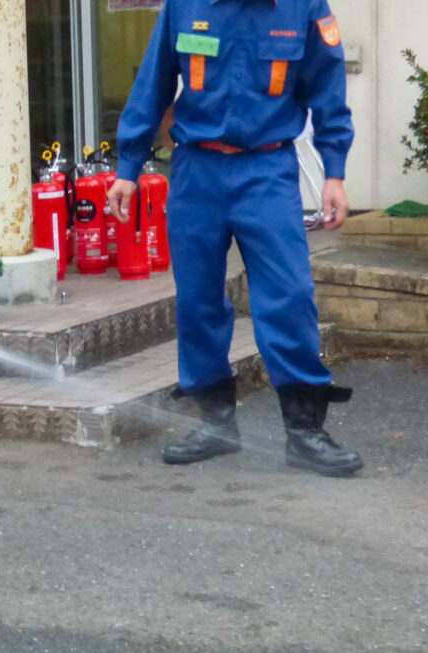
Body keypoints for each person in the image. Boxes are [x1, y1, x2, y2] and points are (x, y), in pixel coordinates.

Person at [108, 0, 363, 477]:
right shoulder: (184, 5)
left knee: (288, 295)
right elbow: (154, 81)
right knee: (198, 300)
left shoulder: (303, 7)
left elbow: (328, 88)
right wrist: (128, 165)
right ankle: (216, 425)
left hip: (266, 170)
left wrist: (335, 171)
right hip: (196, 170)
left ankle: (305, 432)